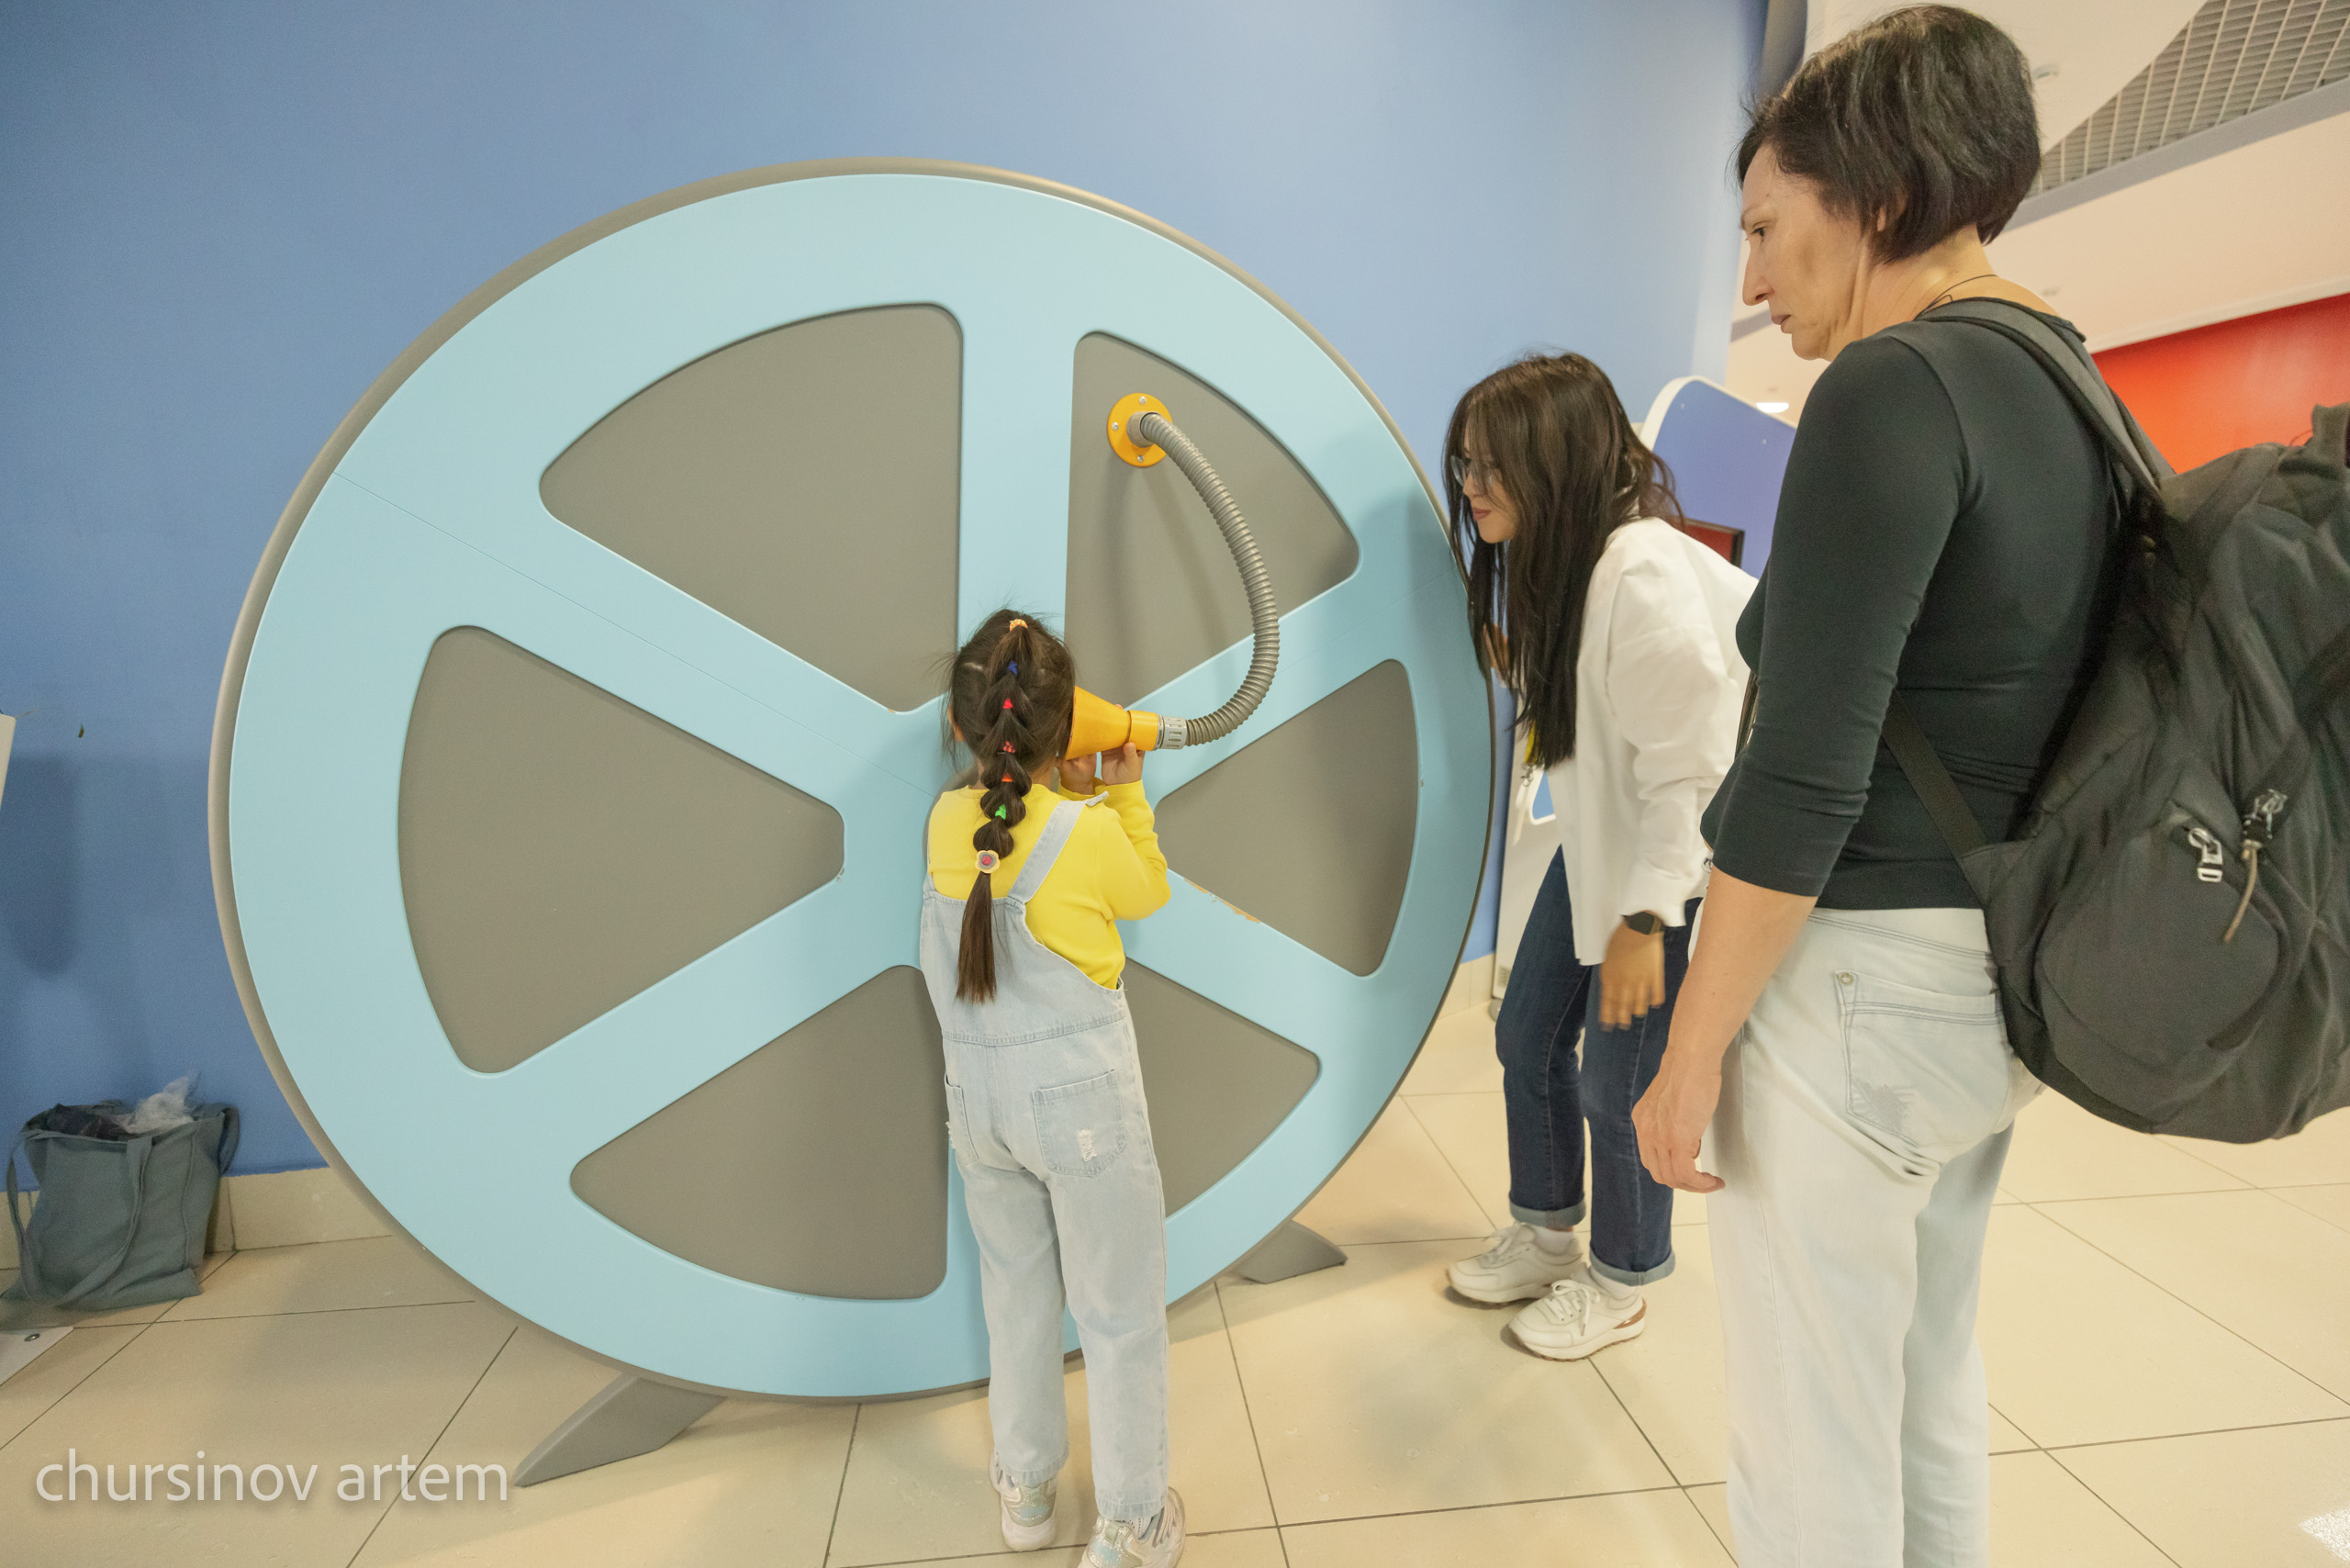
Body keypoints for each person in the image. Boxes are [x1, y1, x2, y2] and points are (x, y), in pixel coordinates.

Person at [1631, 9, 2109, 1563]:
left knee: (1809, 1441)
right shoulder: (2077, 392)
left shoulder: (1890, 388)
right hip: (1995, 980)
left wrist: (1691, 1047)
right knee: (1922, 1385)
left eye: (1767, 227)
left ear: (1881, 198)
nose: (1753, 281)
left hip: (1853, 991)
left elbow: (1803, 769)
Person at [1440, 353, 1752, 1359]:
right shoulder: (1566, 568)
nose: (1473, 485)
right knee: (1526, 1037)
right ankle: (1544, 1232)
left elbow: (1693, 776)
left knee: (1620, 1086)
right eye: (1466, 464)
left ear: (1558, 460)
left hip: (1675, 871)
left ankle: (1623, 1280)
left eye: (1493, 464)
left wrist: (1648, 918)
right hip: (1605, 853)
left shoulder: (1641, 575)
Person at [919, 609, 1183, 1568]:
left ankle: (1026, 1490)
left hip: (979, 1105)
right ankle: (1133, 1521)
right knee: (1116, 1311)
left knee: (1016, 1298)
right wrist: (1120, 792)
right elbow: (1147, 891)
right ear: (1067, 729)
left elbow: (1007, 839)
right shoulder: (1087, 829)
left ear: (959, 727)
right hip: (1079, 1108)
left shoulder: (944, 820)